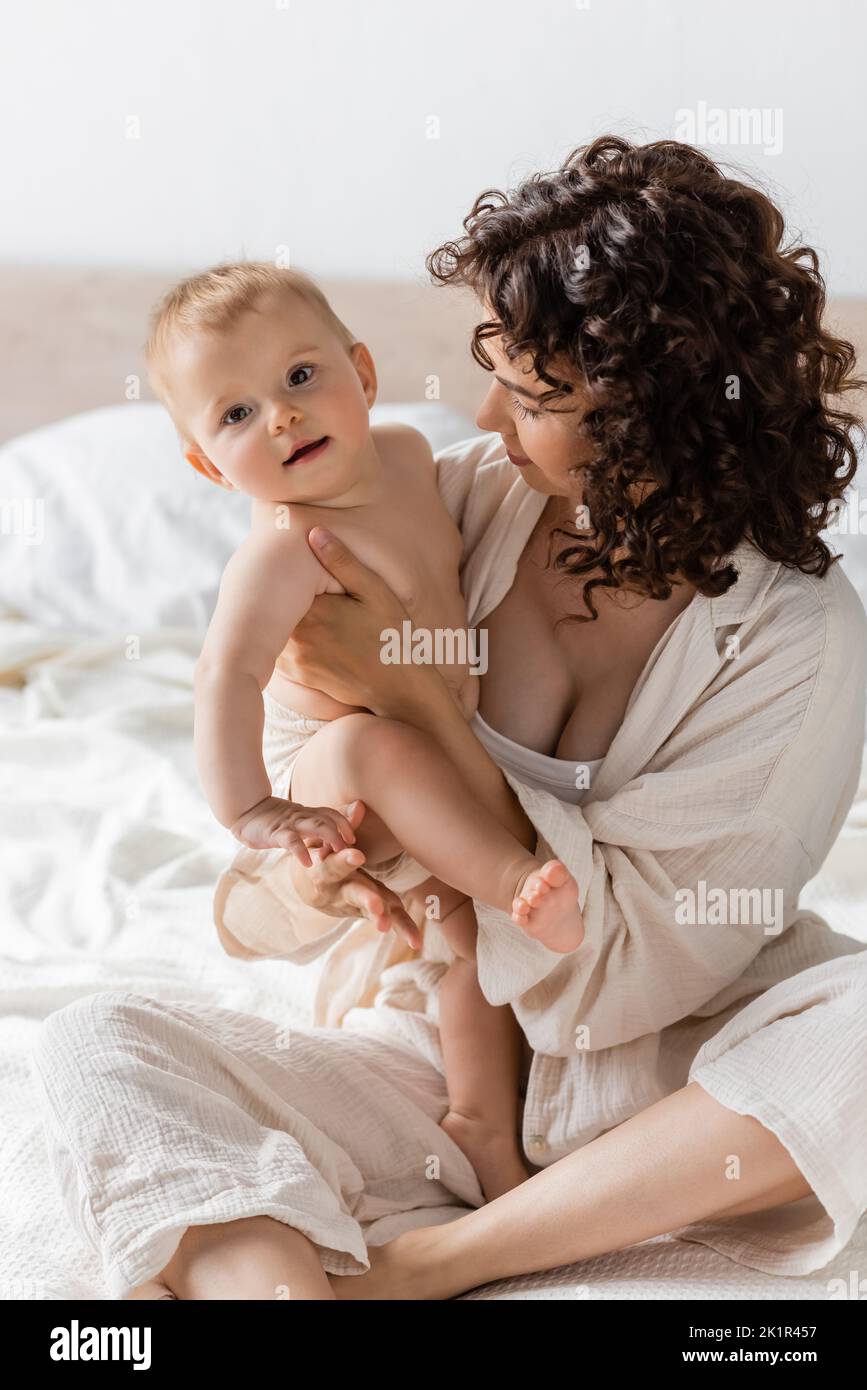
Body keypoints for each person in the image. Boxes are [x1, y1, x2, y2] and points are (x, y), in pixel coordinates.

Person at [31, 136, 867, 1300]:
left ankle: (421, 1265)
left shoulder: (799, 639)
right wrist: (312, 873)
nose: (482, 413)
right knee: (99, 1045)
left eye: (529, 394)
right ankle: (274, 1283)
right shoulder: (454, 501)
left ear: (653, 412)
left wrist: (426, 710)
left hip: (681, 1086)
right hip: (437, 1055)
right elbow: (272, 875)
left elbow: (609, 981)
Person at [144, 259, 584, 1201]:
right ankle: (513, 877)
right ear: (204, 465)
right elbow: (226, 673)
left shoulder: (412, 458)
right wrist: (252, 813)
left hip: (426, 748)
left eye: (300, 378)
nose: (282, 417)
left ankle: (480, 1120)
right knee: (371, 750)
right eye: (235, 416)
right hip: (321, 770)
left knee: (465, 943)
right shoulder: (281, 552)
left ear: (364, 373)